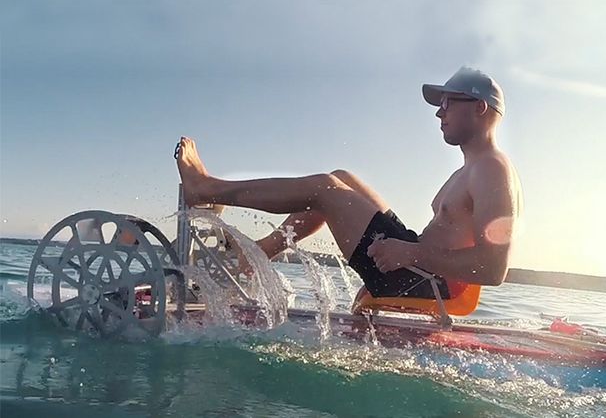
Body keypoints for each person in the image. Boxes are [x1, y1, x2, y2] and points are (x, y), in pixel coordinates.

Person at [175, 66, 522, 304]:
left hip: (421, 280)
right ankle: (259, 254)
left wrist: (412, 253)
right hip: (415, 266)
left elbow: (494, 269)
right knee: (342, 178)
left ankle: (206, 189)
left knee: (325, 189)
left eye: (447, 103)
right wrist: (411, 250)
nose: (438, 113)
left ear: (480, 107)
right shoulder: (474, 168)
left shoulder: (492, 168)